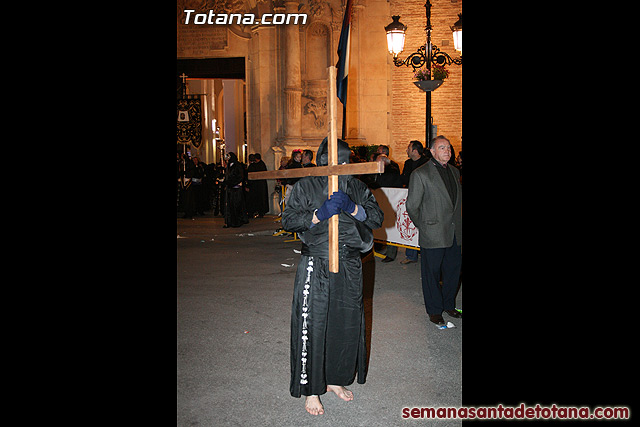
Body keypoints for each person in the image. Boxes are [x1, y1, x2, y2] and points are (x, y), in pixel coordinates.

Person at [282, 138, 384, 416]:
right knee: (313, 324)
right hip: (317, 261)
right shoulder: (306, 185)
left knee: (346, 322)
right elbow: (288, 220)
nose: (338, 166)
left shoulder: (357, 186)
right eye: (332, 161)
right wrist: (317, 215)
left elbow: (376, 218)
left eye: (343, 160)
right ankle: (313, 389)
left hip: (350, 262)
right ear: (322, 159)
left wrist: (353, 208)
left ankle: (336, 379)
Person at [406, 135, 462, 326]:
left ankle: (449, 305)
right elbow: (412, 206)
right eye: (442, 148)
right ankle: (434, 310)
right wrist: (425, 226)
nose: (447, 151)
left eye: (448, 148)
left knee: (453, 271)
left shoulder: (455, 172)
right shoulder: (420, 174)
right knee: (431, 274)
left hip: (455, 233)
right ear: (432, 151)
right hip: (433, 233)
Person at [399, 140, 429, 264]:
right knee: (409, 224)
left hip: (424, 199)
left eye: (409, 148)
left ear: (415, 151)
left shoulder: (427, 163)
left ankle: (425, 252)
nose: (407, 150)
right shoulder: (407, 163)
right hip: (411, 197)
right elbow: (404, 178)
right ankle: (411, 255)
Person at [223, 152, 249, 228]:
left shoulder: (238, 166)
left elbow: (240, 177)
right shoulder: (228, 166)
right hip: (230, 189)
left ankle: (237, 221)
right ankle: (229, 221)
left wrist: (231, 183)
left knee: (236, 205)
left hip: (236, 189)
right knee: (229, 205)